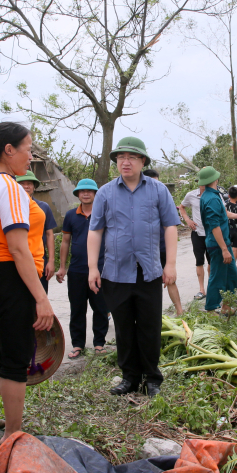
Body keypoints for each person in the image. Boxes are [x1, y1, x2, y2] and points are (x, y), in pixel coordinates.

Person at [0, 122, 54, 440]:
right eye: (28, 149)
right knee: (18, 355)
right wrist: (41, 298)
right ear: (9, 150)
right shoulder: (9, 188)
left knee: (3, 351)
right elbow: (18, 248)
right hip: (11, 276)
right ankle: (13, 436)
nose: (30, 156)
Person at [88, 137, 179, 398]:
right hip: (116, 272)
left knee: (150, 326)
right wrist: (94, 267)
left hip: (148, 271)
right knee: (124, 326)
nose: (125, 162)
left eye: (131, 157)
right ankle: (129, 377)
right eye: (120, 157)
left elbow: (170, 226)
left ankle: (152, 378)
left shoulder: (158, 190)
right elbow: (95, 231)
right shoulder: (105, 192)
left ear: (142, 161)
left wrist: (170, 264)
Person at [55, 178, 110, 359]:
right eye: (82, 191)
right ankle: (77, 344)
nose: (85, 194)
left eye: (89, 191)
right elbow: (65, 242)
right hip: (77, 270)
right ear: (78, 194)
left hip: (101, 269)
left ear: (95, 194)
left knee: (100, 307)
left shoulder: (103, 214)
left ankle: (99, 343)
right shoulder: (71, 215)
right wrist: (62, 267)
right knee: (77, 308)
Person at [142, 169, 183, 316]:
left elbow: (171, 226)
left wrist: (171, 263)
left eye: (157, 182)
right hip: (145, 251)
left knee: (170, 279)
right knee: (145, 285)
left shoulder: (162, 198)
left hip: (162, 247)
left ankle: (180, 311)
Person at [197, 167, 237, 314]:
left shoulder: (209, 195)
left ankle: (226, 307)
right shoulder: (212, 198)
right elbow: (214, 226)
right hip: (218, 245)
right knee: (217, 278)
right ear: (214, 179)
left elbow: (221, 217)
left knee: (231, 276)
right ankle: (211, 308)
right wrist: (224, 249)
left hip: (220, 243)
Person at [17, 170, 57, 293]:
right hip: (16, 258)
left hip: (39, 259)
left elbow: (49, 234)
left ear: (34, 187)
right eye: (22, 183)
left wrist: (50, 261)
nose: (26, 186)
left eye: (29, 183)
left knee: (40, 295)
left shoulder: (43, 207)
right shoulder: (11, 207)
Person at [178, 186, 209, 300]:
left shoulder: (215, 195)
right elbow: (182, 207)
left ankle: (211, 288)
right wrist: (187, 220)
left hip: (211, 233)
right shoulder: (191, 195)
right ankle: (202, 290)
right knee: (199, 261)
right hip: (197, 233)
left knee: (211, 261)